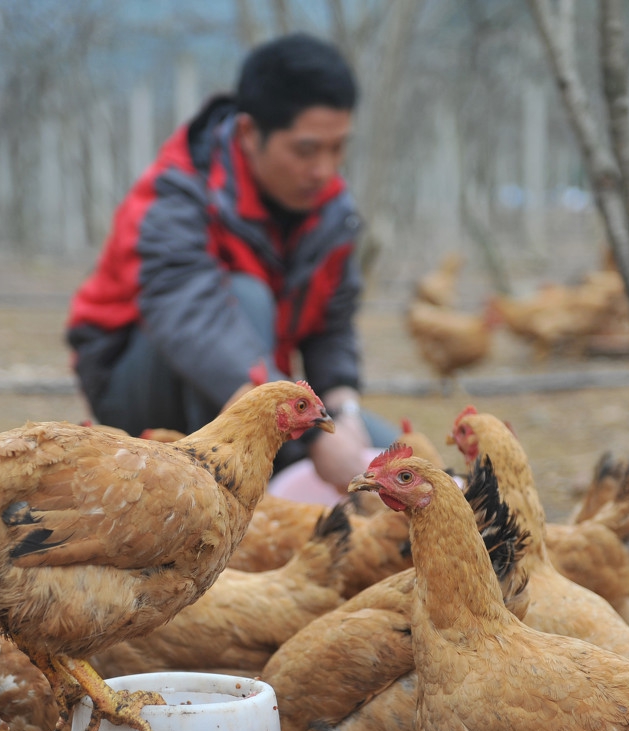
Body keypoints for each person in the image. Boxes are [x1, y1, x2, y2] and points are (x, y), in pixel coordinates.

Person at [66, 32, 395, 492]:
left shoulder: (332, 209)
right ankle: (233, 513)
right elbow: (194, 323)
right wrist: (308, 438)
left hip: (262, 389)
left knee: (397, 459)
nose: (324, 169)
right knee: (244, 298)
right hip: (142, 387)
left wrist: (343, 411)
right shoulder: (176, 193)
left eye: (338, 148)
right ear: (248, 133)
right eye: (306, 150)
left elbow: (331, 327)